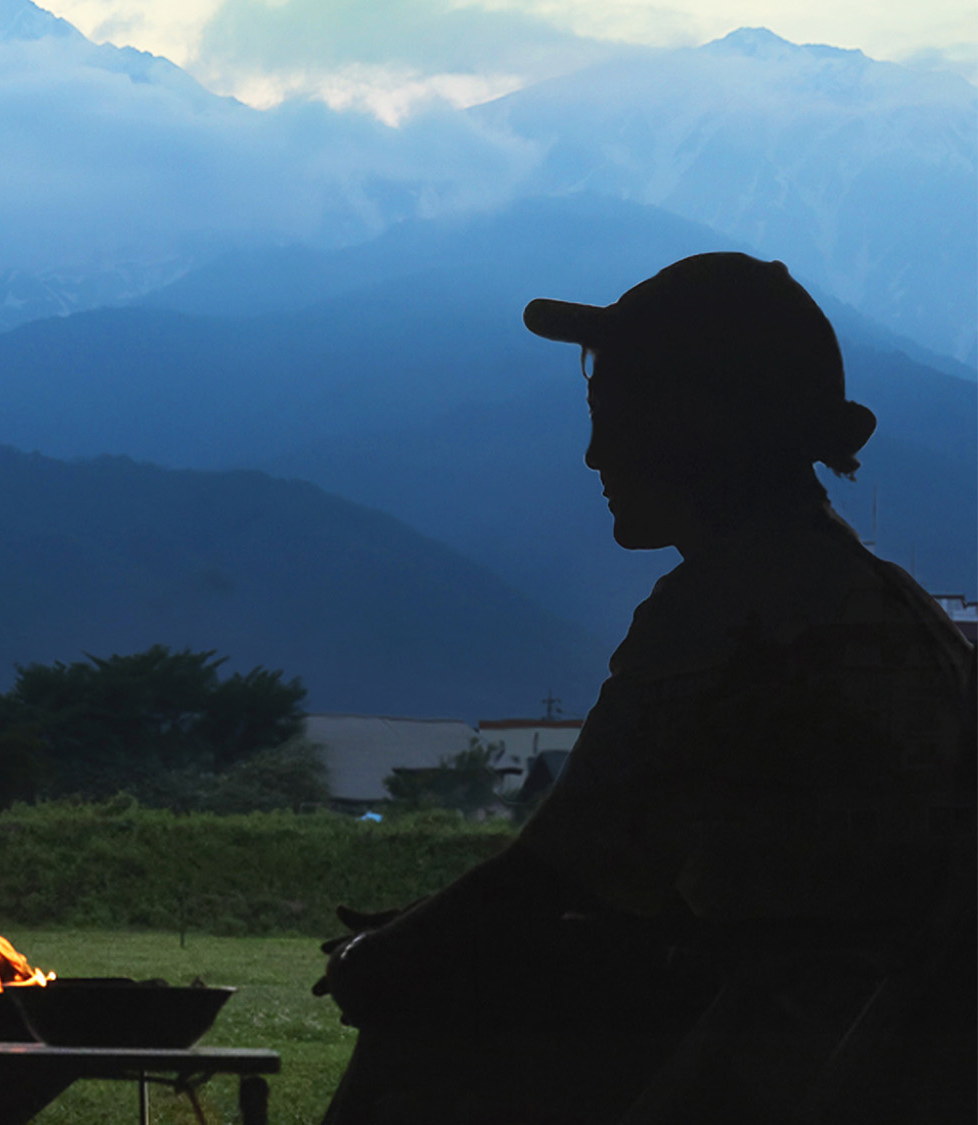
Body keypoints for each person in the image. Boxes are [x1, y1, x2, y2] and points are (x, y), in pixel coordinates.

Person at [313, 253, 975, 1124]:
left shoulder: (731, 608)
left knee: (414, 1003)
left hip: (766, 1055)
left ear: (700, 427)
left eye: (614, 416)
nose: (596, 453)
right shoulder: (889, 604)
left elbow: (556, 865)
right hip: (871, 1049)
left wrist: (391, 951)